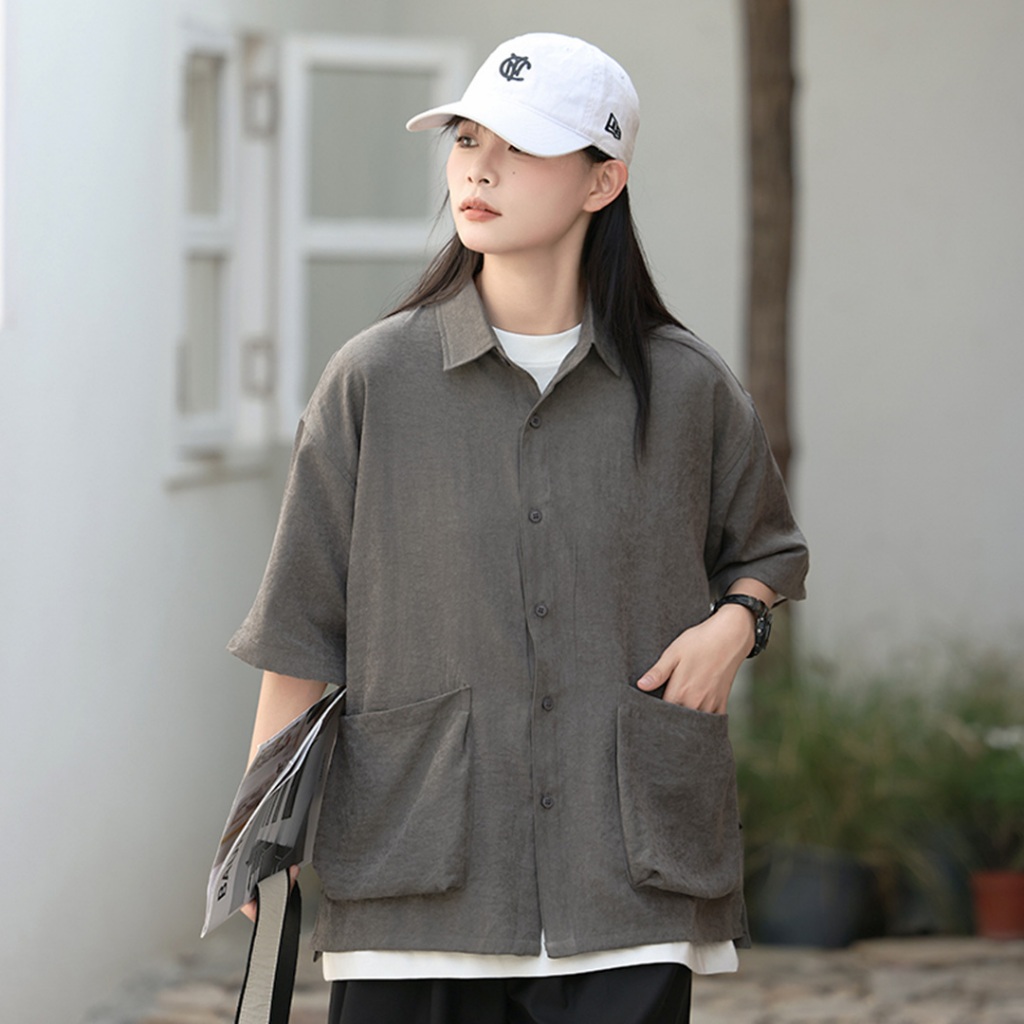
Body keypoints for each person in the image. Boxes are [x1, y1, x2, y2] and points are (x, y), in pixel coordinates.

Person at [228, 32, 808, 1024]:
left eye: (520, 146)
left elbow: (764, 551)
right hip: (416, 878)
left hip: (629, 879)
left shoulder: (689, 387)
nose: (478, 169)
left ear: (602, 181)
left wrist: (734, 626)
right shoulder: (372, 381)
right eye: (466, 139)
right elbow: (301, 628)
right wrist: (260, 827)